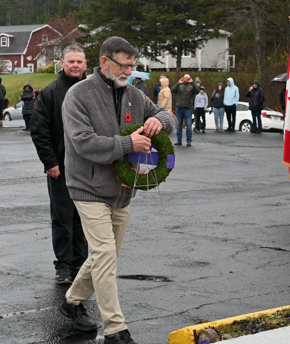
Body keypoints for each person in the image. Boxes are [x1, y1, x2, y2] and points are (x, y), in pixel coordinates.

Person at [60, 36, 176, 344]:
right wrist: (129, 143)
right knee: (105, 253)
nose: (128, 70)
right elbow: (82, 142)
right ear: (104, 62)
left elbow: (167, 116)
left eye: (132, 65)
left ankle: (71, 301)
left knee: (105, 255)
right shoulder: (78, 95)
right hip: (86, 187)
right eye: (123, 64)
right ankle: (115, 329)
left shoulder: (135, 95)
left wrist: (159, 123)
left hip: (124, 191)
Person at [30, 45, 89, 285]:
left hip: (89, 168)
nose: (75, 65)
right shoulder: (51, 92)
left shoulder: (94, 91)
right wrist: (50, 162)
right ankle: (64, 266)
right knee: (63, 219)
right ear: (62, 63)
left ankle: (82, 264)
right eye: (71, 61)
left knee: (85, 219)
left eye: (79, 61)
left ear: (86, 64)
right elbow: (39, 130)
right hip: (61, 169)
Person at [171, 74, 198, 146]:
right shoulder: (180, 86)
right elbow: (173, 89)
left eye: (187, 78)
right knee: (179, 126)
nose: (186, 79)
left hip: (188, 108)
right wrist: (178, 83)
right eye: (185, 78)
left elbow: (197, 91)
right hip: (179, 107)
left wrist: (192, 82)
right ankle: (179, 140)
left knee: (188, 126)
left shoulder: (192, 86)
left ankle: (189, 141)